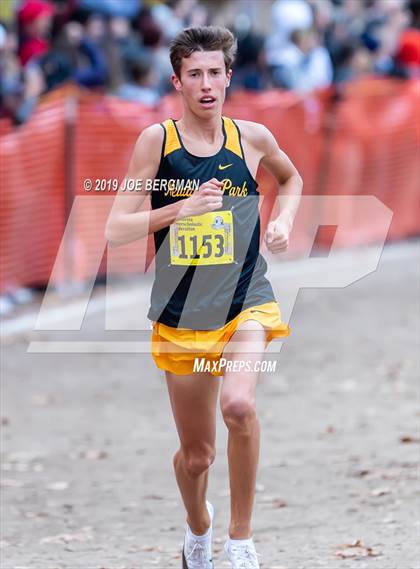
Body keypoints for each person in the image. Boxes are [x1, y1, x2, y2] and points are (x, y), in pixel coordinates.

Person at [105, 26, 302, 569]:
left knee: (239, 406)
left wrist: (283, 220)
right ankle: (200, 528)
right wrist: (177, 210)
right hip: (182, 315)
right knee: (198, 456)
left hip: (246, 300)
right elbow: (116, 229)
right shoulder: (157, 143)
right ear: (178, 82)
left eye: (215, 72)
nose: (207, 83)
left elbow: (292, 179)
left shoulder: (252, 138)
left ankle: (241, 542)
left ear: (229, 77)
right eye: (195, 74)